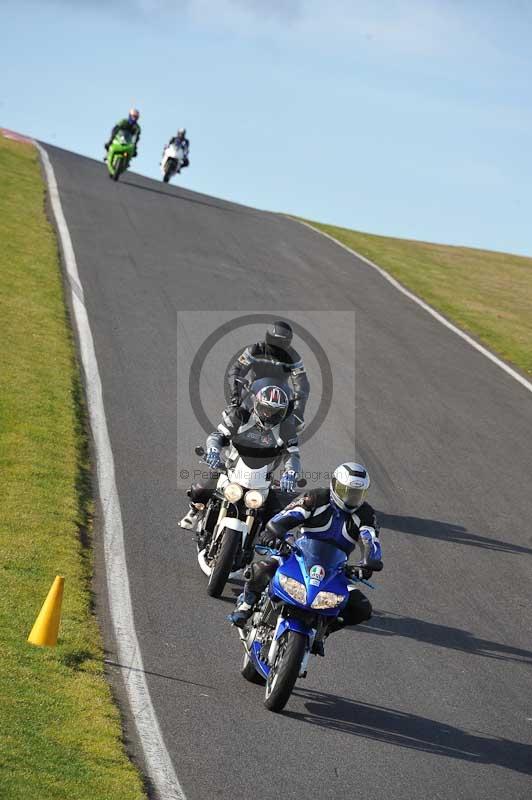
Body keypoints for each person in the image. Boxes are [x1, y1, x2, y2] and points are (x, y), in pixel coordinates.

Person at [229, 462, 383, 644]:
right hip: (298, 554)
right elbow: (286, 516)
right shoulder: (317, 497)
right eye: (346, 490)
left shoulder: (366, 514)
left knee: (362, 608)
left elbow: (370, 539)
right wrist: (274, 533)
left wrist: (369, 562)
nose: (350, 497)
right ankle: (246, 605)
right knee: (262, 569)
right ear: (334, 484)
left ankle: (324, 631)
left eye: (356, 493)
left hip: (335, 570)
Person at [179, 379, 301, 530]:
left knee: (276, 511)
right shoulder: (241, 416)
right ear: (257, 404)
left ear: (283, 412)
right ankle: (194, 510)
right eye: (265, 409)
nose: (269, 415)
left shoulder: (286, 429)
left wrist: (290, 473)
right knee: (201, 490)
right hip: (231, 468)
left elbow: (293, 455)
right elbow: (218, 436)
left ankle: (263, 536)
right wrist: (213, 451)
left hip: (262, 479)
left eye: (275, 412)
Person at [227, 321, 310, 432]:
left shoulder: (293, 357)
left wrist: (298, 410)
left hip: (279, 398)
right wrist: (235, 395)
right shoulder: (255, 350)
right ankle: (220, 439)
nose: (278, 345)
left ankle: (288, 446)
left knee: (294, 424)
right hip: (253, 392)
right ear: (269, 338)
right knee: (233, 413)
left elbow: (302, 383)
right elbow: (236, 370)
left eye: (282, 342)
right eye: (276, 341)